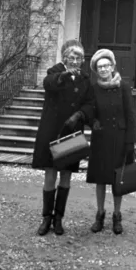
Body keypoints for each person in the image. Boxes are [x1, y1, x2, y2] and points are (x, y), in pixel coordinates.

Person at [31, 39, 95, 236]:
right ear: (65, 58)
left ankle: (59, 218)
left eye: (79, 58)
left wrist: (80, 115)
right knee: (50, 174)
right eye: (71, 57)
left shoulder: (85, 79)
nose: (75, 61)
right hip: (52, 131)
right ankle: (46, 218)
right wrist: (65, 75)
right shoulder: (55, 72)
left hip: (72, 131)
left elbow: (90, 103)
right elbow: (49, 84)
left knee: (66, 175)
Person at [86, 48, 136, 235]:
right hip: (101, 138)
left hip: (119, 138)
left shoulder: (123, 87)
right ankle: (100, 214)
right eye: (100, 67)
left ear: (112, 66)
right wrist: (92, 122)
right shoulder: (94, 88)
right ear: (96, 70)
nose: (104, 69)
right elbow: (89, 110)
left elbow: (130, 115)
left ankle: (117, 215)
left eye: (106, 65)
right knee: (100, 179)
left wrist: (131, 141)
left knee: (118, 180)